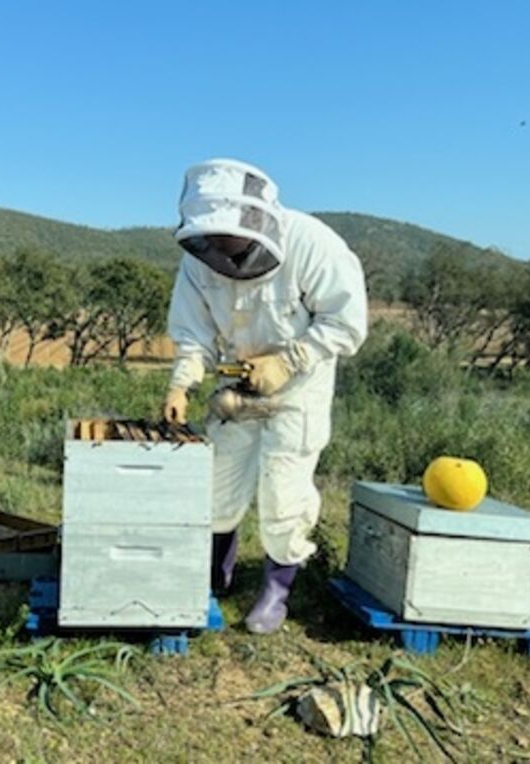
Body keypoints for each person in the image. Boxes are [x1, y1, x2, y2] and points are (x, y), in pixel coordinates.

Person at [162, 158, 367, 634]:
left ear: (257, 224)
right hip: (234, 386)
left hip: (299, 387)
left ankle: (277, 590)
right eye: (211, 243)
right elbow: (192, 332)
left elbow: (347, 323)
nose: (220, 254)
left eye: (229, 244)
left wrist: (289, 360)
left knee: (283, 490)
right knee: (215, 480)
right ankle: (217, 572)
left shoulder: (314, 245)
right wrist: (181, 380)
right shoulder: (199, 260)